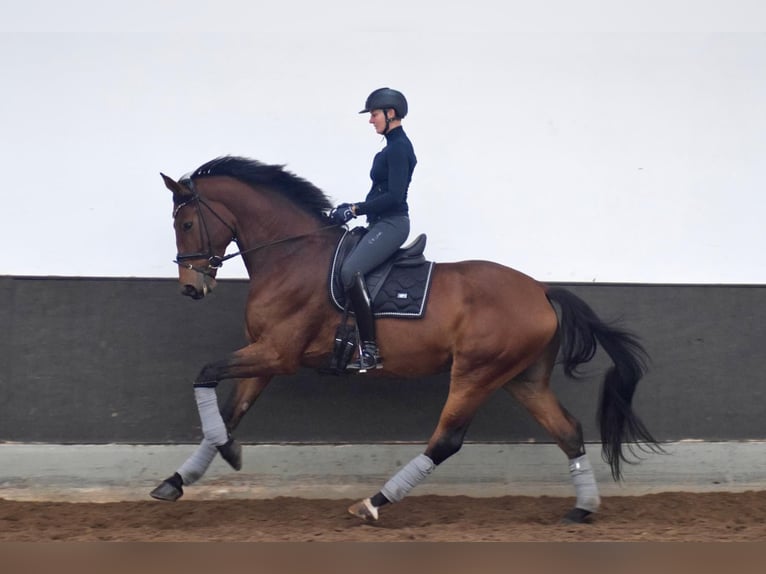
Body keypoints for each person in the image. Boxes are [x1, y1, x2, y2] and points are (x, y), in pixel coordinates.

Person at [329, 87, 417, 371]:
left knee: (349, 271)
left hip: (393, 223)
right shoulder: (390, 146)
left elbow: (394, 197)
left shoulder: (400, 148)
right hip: (379, 222)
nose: (371, 121)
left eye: (375, 114)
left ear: (391, 114)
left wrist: (355, 209)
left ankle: (369, 350)